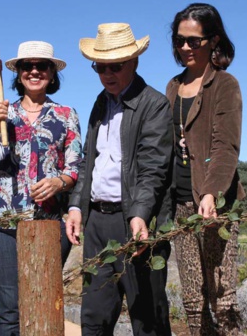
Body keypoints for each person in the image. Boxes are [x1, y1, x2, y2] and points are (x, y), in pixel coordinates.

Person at [65, 23, 173, 336]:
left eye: (116, 66)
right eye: (100, 66)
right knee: (94, 319)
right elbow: (89, 161)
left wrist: (139, 215)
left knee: (147, 320)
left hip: (139, 223)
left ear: (135, 62)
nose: (107, 74)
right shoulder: (101, 102)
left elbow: (154, 169)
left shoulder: (154, 105)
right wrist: (76, 206)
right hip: (97, 223)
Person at [0, 40, 82, 336]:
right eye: (26, 66)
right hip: (2, 222)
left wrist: (59, 182)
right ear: (17, 74)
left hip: (49, 224)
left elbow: (74, 168)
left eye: (41, 66)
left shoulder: (67, 115)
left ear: (52, 73)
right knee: (10, 309)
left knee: (44, 302)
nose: (34, 71)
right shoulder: (3, 113)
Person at [166, 3, 245, 335]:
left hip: (216, 204)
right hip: (181, 204)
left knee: (221, 299)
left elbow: (225, 147)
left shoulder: (225, 85)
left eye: (194, 41)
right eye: (180, 40)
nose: (186, 47)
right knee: (193, 302)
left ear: (213, 41)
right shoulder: (172, 87)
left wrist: (212, 193)